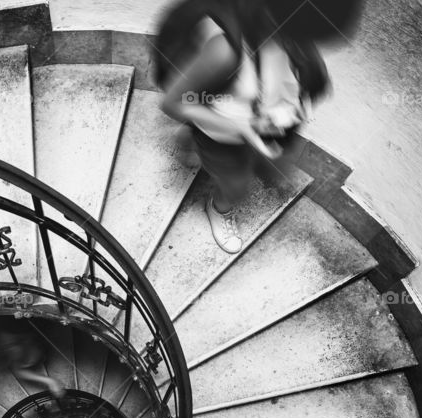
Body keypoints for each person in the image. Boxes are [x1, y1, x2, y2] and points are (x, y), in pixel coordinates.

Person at [154, 0, 364, 253]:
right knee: (235, 187)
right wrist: (243, 127)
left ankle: (189, 136)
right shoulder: (224, 50)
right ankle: (219, 209)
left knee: (270, 171)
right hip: (221, 137)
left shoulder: (292, 39)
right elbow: (173, 103)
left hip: (256, 126)